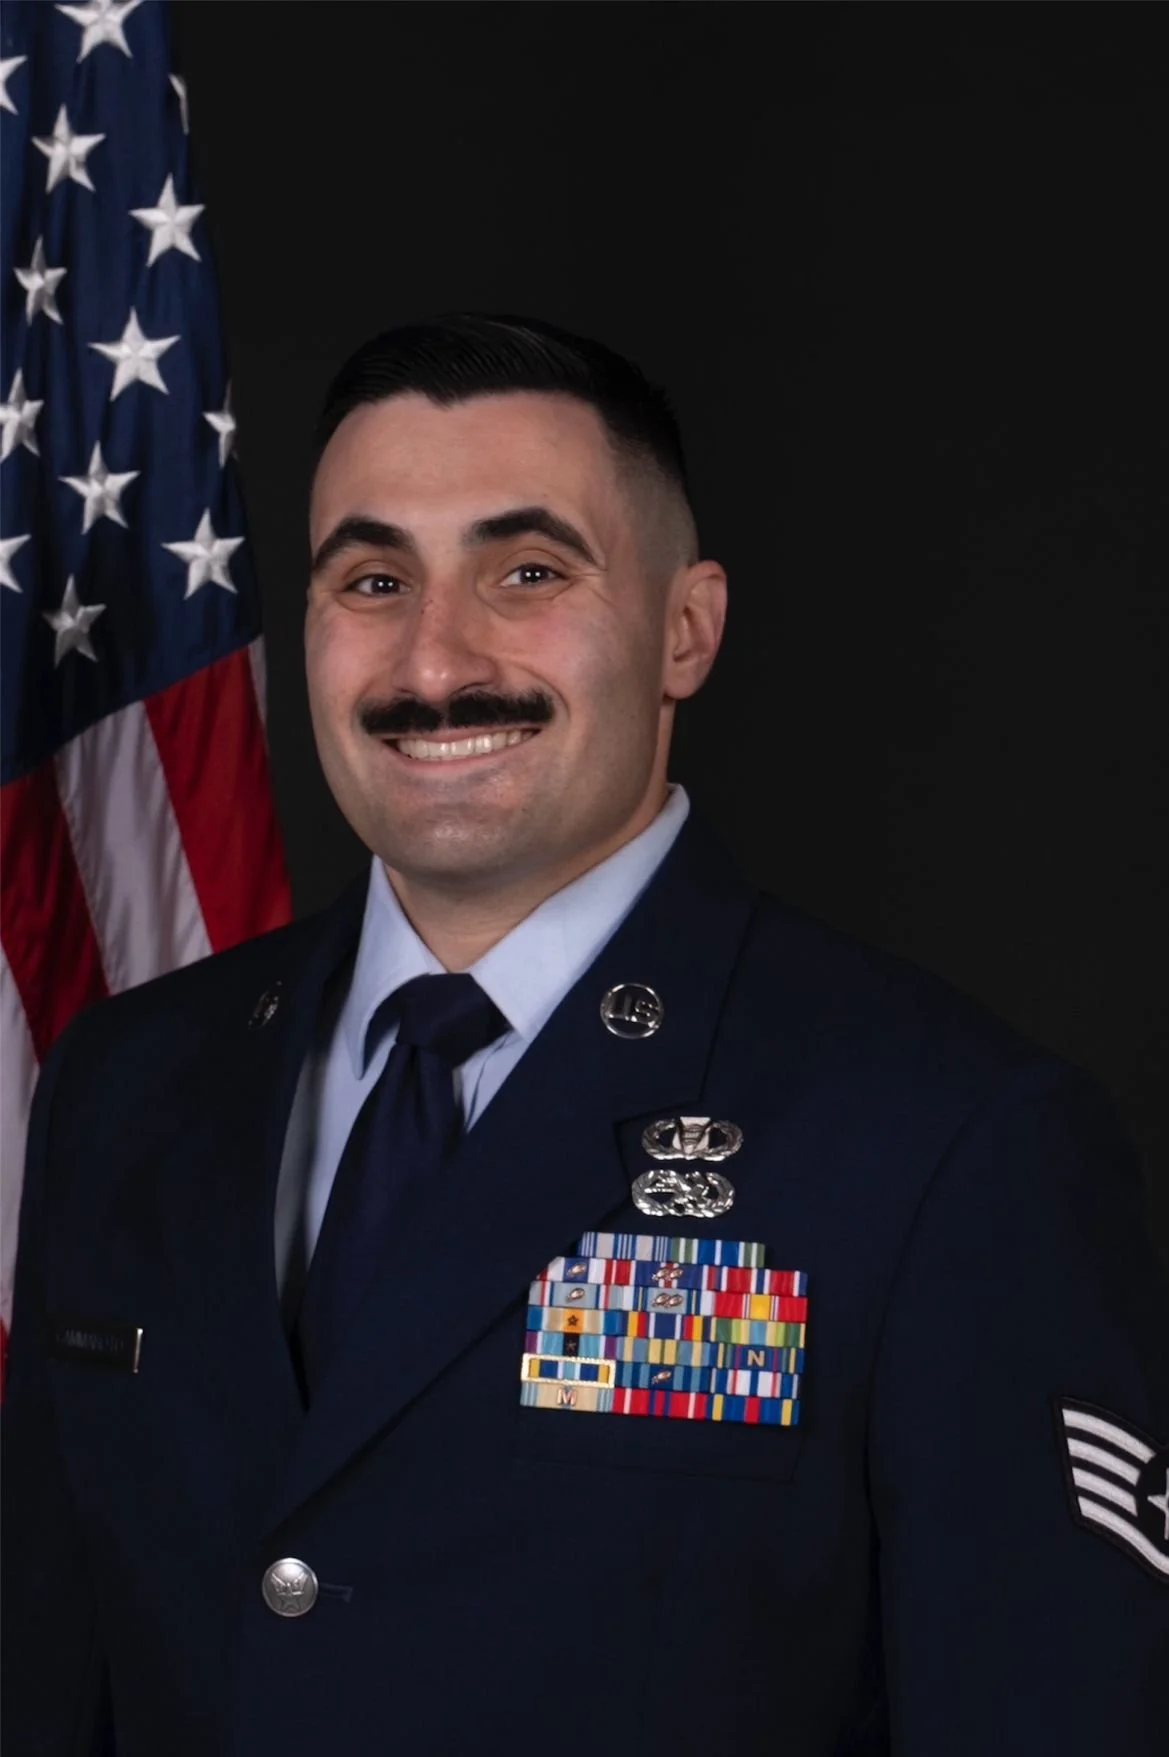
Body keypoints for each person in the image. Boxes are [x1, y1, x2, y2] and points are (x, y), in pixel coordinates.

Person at [4, 313, 1167, 1757]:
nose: (435, 661)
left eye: (529, 571)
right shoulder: (131, 1085)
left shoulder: (948, 1145)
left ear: (687, 629)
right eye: (372, 579)